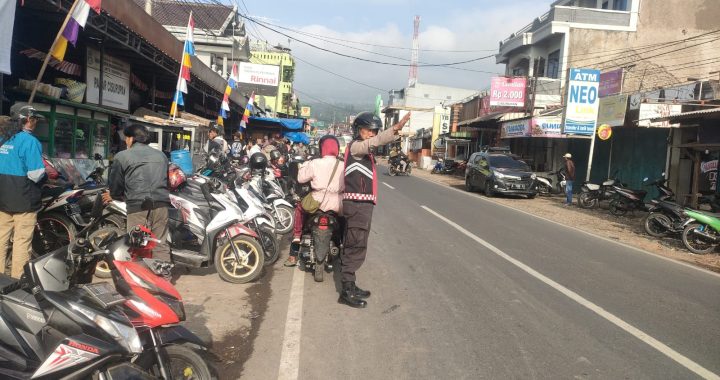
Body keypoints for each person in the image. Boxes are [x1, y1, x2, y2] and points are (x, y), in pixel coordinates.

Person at [339, 111, 411, 308]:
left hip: (362, 205)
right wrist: (395, 129)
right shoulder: (356, 147)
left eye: (374, 131)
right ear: (358, 131)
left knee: (359, 244)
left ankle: (351, 285)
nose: (371, 134)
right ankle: (345, 291)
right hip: (356, 205)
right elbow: (375, 142)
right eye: (367, 130)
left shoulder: (364, 152)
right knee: (354, 245)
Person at [104, 124, 172, 262]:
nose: (125, 141)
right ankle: (163, 277)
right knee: (160, 243)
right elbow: (167, 181)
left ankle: (140, 279)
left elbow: (115, 185)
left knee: (137, 244)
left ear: (131, 139)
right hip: (161, 204)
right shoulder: (162, 155)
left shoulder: (122, 156)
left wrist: (115, 196)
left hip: (137, 207)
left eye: (126, 138)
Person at [0, 107, 46, 278]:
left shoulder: (3, 138)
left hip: (2, 199)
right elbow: (36, 174)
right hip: (23, 200)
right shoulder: (29, 141)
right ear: (28, 119)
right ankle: (17, 281)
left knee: (1, 239)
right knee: (21, 242)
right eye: (35, 119)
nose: (36, 123)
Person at [285, 135, 345, 267]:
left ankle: (294, 247)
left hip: (317, 200)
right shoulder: (343, 164)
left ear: (321, 148)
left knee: (300, 209)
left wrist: (304, 166)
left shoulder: (315, 163)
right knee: (344, 222)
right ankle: (344, 247)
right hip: (338, 203)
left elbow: (300, 179)